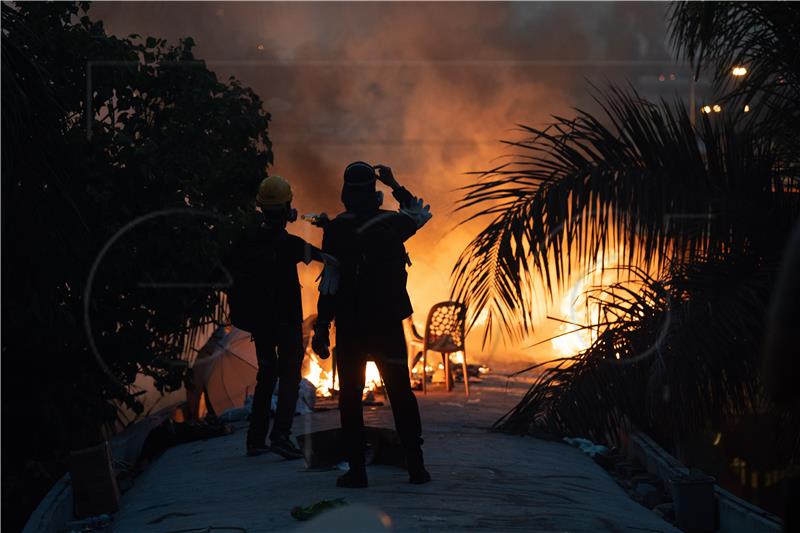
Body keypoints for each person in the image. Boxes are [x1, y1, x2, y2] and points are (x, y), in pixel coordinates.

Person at [312, 161, 432, 487]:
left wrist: (321, 328)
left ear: (346, 195)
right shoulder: (392, 223)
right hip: (388, 326)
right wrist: (395, 182)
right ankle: (416, 467)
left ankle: (357, 471)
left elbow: (329, 284)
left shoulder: (335, 231)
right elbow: (420, 213)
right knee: (401, 394)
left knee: (350, 397)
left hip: (351, 328)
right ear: (374, 194)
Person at [224, 174, 338, 459]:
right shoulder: (290, 244)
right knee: (289, 378)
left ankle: (255, 440)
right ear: (287, 208)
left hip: (259, 323)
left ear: (261, 207)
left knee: (266, 377)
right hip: (286, 323)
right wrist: (328, 228)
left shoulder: (246, 239)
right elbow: (329, 259)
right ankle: (281, 437)